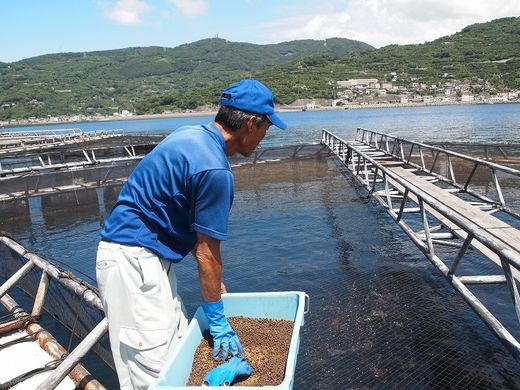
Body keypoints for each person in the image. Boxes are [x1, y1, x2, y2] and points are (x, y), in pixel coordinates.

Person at [95, 79, 287, 389]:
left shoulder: (190, 135)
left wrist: (213, 281)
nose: (265, 136)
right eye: (267, 127)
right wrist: (218, 319)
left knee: (178, 347)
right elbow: (206, 252)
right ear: (251, 123)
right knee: (155, 371)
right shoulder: (214, 170)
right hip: (134, 264)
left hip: (143, 260)